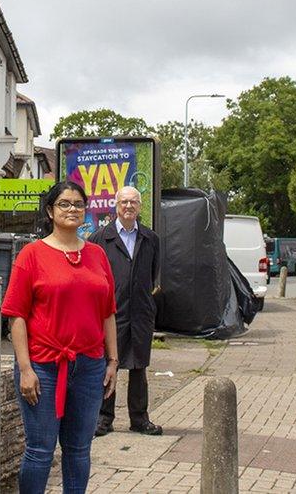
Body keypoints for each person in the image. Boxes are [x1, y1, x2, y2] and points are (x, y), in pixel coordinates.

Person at [1, 180, 120, 494]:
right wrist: (25, 369)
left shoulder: (97, 255)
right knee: (40, 451)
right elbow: (16, 315)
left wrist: (113, 360)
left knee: (79, 449)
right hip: (43, 366)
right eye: (64, 204)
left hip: (90, 366)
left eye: (78, 204)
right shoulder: (31, 255)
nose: (72, 209)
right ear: (50, 211)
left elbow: (108, 311)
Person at [89, 186, 163, 436]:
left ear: (139, 207)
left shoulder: (150, 239)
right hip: (112, 313)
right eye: (124, 202)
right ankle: (103, 418)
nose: (129, 206)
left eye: (133, 202)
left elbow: (153, 275)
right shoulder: (100, 238)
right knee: (108, 365)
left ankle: (139, 419)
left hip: (141, 312)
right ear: (116, 206)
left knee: (139, 367)